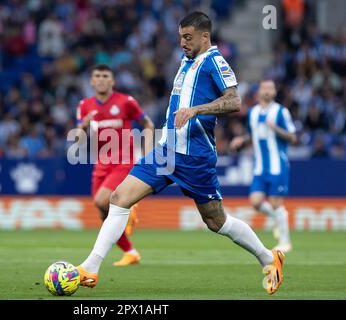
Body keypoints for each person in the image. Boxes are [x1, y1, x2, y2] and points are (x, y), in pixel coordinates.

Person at [75, 11, 285, 295]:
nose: (183, 43)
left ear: (205, 36)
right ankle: (90, 268)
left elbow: (234, 101)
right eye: (180, 38)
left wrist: (197, 110)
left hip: (195, 158)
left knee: (216, 221)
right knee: (118, 198)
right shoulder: (186, 62)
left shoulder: (215, 61)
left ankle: (268, 257)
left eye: (188, 37)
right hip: (166, 151)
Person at [75, 64, 155, 266]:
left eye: (105, 76)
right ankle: (131, 252)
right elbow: (78, 140)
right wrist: (82, 126)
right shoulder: (85, 105)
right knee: (104, 214)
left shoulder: (126, 102)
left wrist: (147, 155)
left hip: (123, 160)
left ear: (112, 81)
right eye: (97, 76)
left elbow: (148, 124)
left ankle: (129, 207)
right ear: (92, 81)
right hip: (101, 163)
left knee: (102, 201)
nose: (101, 79)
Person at [230, 79, 297, 253]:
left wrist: (275, 128)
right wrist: (242, 140)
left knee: (275, 202)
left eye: (271, 88)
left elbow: (293, 137)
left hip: (277, 165)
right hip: (260, 167)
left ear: (274, 92)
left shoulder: (281, 112)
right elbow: (253, 135)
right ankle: (278, 219)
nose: (267, 91)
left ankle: (285, 241)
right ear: (259, 92)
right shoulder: (252, 113)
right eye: (264, 88)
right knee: (255, 202)